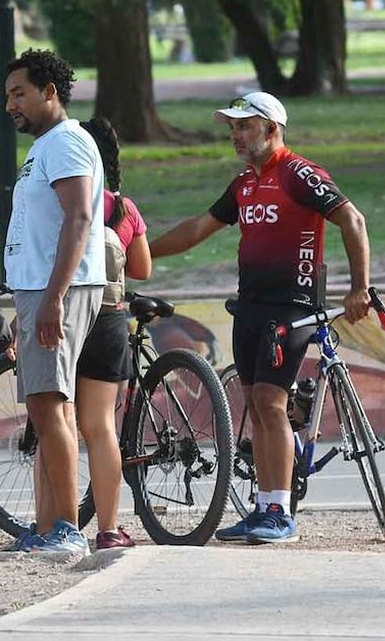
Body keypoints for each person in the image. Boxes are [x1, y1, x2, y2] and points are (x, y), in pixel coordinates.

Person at [149, 91, 372, 544]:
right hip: (249, 305)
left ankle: (279, 512)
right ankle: (264, 506)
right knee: (255, 406)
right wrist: (142, 253)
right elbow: (197, 227)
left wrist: (359, 287)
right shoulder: (243, 184)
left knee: (271, 405)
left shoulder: (298, 173)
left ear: (272, 129)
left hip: (291, 306)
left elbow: (353, 220)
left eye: (244, 126)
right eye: (232, 127)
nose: (235, 135)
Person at [2, 50, 106, 556]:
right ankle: (48, 529)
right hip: (39, 288)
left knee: (49, 406)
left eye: (18, 93)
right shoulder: (48, 145)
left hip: (55, 289)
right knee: (50, 407)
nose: (9, 105)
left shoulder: (64, 142)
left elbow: (80, 218)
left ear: (49, 91)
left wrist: (54, 298)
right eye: (7, 95)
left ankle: (66, 530)